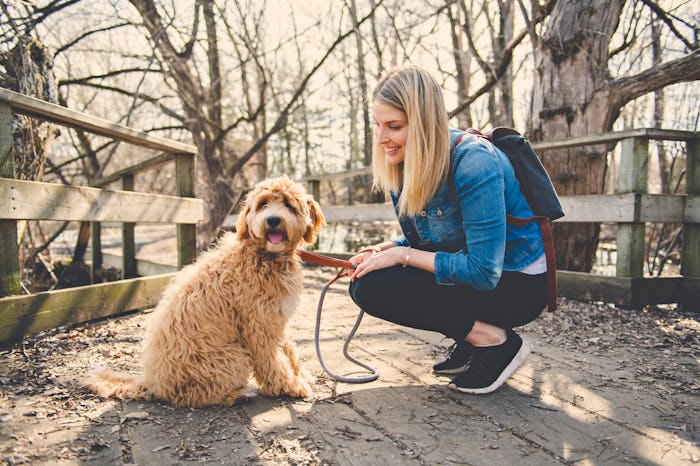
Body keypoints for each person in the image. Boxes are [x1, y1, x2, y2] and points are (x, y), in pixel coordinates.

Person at [348, 64, 547, 394]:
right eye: (378, 125)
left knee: (376, 287)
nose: (382, 138)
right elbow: (427, 238)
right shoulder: (404, 165)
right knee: (366, 282)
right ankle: (472, 339)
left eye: (394, 126)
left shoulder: (474, 162)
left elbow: (484, 272)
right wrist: (388, 249)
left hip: (516, 283)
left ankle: (495, 342)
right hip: (476, 273)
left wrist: (404, 255)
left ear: (425, 123)